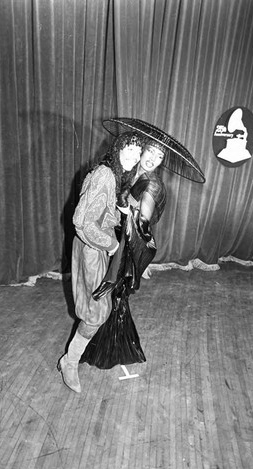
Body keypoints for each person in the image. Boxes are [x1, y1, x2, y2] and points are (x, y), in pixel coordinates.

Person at [57, 131, 144, 393]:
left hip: (97, 248)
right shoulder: (105, 175)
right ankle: (69, 362)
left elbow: (110, 202)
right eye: (128, 150)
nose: (133, 157)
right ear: (117, 150)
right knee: (95, 314)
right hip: (91, 250)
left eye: (137, 153)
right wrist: (112, 244)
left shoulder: (115, 174)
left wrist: (128, 206)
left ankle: (75, 356)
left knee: (98, 309)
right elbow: (81, 222)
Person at [80, 139, 167, 369]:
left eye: (160, 156)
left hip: (126, 244)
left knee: (116, 295)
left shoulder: (152, 184)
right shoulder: (129, 171)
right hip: (112, 237)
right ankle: (102, 343)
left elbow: (144, 226)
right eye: (150, 152)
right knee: (108, 296)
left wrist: (128, 211)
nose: (152, 159)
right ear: (142, 151)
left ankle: (111, 349)